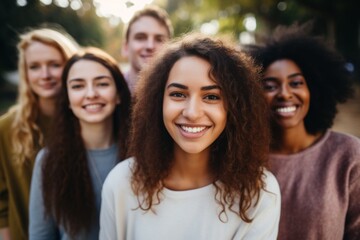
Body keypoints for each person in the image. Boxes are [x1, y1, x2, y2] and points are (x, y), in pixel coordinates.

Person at [99, 34, 281, 240]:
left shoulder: (260, 192)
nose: (192, 113)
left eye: (211, 97)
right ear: (158, 101)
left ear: (235, 108)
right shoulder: (122, 183)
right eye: (178, 94)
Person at [245, 24, 360, 239]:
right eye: (270, 86)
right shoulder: (243, 159)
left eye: (296, 83)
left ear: (314, 89)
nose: (285, 94)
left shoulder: (348, 155)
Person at [29, 47, 131, 239]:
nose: (91, 94)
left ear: (118, 94)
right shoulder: (49, 161)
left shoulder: (143, 155)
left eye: (102, 84)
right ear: (67, 99)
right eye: (78, 86)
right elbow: (40, 235)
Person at [0, 27, 79, 240]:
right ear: (25, 73)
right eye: (34, 67)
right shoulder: (6, 128)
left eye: (54, 65)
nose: (45, 75)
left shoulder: (88, 121)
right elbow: (2, 205)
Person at [122, 5, 173, 95]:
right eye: (140, 37)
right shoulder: (108, 92)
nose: (150, 46)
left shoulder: (178, 93)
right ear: (125, 47)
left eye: (159, 39)